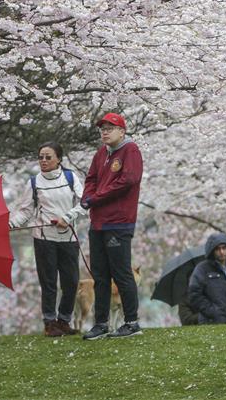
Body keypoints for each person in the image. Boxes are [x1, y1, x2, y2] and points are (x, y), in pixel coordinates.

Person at [9, 141, 86, 337]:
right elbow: (26, 210)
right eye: (41, 157)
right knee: (48, 282)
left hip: (68, 238)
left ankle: (64, 320)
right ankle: (50, 323)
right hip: (43, 239)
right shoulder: (34, 183)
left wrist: (67, 218)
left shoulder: (70, 178)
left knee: (71, 282)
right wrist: (12, 224)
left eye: (48, 157)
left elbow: (84, 203)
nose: (43, 160)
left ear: (58, 159)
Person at [80, 112, 144, 339]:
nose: (105, 132)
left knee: (121, 272)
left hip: (119, 222)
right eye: (102, 129)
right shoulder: (101, 154)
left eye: (110, 128)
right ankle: (101, 323)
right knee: (100, 275)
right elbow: (91, 179)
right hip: (98, 222)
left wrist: (95, 197)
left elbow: (127, 181)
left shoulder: (130, 151)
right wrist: (87, 197)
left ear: (122, 131)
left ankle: (132, 321)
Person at [188, 233, 226, 325]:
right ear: (212, 251)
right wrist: (213, 312)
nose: (221, 252)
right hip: (209, 324)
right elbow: (194, 294)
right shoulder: (202, 269)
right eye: (217, 249)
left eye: (224, 248)